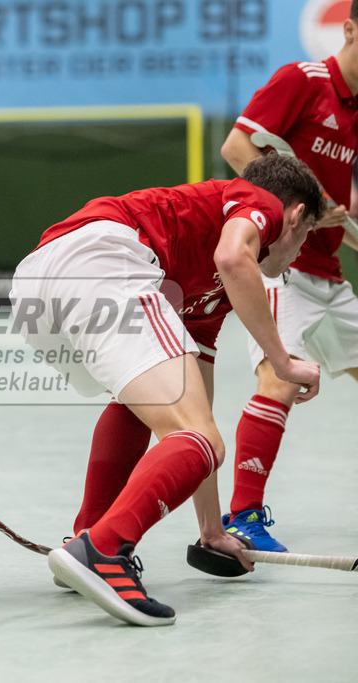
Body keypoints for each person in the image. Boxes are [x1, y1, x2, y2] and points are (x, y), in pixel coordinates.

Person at [10, 153, 324, 626]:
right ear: (296, 214)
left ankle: (87, 537)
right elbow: (233, 256)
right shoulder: (263, 206)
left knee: (168, 419)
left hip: (42, 280)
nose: (299, 251)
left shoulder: (210, 295)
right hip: (103, 258)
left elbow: (198, 405)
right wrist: (282, 361)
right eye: (306, 237)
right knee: (200, 440)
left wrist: (211, 530)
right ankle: (103, 550)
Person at [216, 4, 358, 552]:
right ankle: (243, 518)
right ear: (348, 29)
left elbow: (335, 215)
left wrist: (329, 214)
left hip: (329, 275)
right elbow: (236, 148)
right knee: (279, 379)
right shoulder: (303, 80)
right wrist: (307, 209)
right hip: (283, 267)